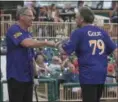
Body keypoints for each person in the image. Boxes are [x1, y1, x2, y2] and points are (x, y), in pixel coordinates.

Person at [57, 6, 118, 102]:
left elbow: (64, 51)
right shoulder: (102, 32)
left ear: (81, 19)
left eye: (76, 17)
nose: (75, 19)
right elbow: (115, 50)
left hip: (88, 75)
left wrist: (58, 45)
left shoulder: (78, 33)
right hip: (101, 74)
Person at [6, 6, 57, 102]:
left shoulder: (29, 34)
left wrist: (36, 72)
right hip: (17, 77)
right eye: (30, 16)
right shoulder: (13, 30)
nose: (33, 18)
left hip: (28, 78)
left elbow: (31, 57)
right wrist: (46, 42)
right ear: (22, 17)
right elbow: (26, 43)